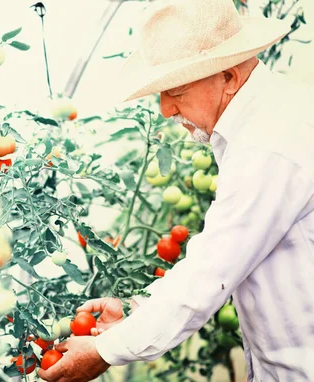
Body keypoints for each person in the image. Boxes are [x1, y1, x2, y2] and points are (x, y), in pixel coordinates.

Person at [37, 0, 314, 381]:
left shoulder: (267, 145)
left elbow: (208, 273)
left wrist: (104, 351)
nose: (166, 109)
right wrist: (136, 311)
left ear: (229, 78)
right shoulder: (270, 117)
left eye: (176, 91)